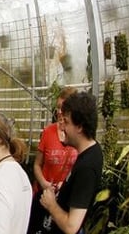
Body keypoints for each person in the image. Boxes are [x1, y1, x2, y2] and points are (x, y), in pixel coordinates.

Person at [37, 92, 103, 234]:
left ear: (79, 127)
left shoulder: (87, 167)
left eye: (66, 122)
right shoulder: (88, 152)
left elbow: (71, 227)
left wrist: (51, 205)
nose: (62, 127)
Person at [28, 87, 78, 233]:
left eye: (63, 108)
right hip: (43, 195)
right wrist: (44, 183)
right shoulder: (48, 132)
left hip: (63, 199)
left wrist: (65, 185)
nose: (59, 112)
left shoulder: (78, 135)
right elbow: (37, 164)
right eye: (58, 108)